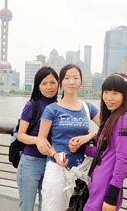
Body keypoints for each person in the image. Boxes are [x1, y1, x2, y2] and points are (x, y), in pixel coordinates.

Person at [36, 64, 100, 211]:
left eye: (76, 78)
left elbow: (107, 127)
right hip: (57, 169)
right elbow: (41, 140)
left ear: (81, 82)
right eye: (67, 78)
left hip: (81, 171)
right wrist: (55, 154)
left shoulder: (88, 108)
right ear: (61, 82)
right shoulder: (51, 109)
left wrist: (88, 136)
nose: (71, 82)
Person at [70, 73, 127, 211]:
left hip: (106, 184)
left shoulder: (125, 119)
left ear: (126, 95)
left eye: (115, 93)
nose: (108, 97)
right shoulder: (113, 117)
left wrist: (112, 194)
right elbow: (105, 152)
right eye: (106, 92)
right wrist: (82, 148)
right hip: (97, 182)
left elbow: (122, 158)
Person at [15, 67, 59, 211]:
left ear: (58, 84)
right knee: (26, 207)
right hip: (30, 163)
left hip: (52, 164)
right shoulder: (32, 105)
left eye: (53, 82)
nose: (49, 87)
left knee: (46, 206)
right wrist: (37, 140)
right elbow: (20, 134)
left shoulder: (59, 106)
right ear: (38, 86)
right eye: (44, 83)